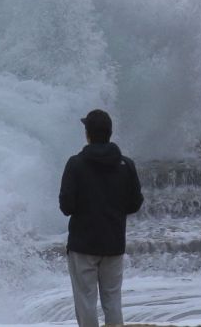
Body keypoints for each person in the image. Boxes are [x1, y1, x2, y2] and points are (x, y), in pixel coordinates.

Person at [59, 109, 143, 327]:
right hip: (114, 244)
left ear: (88, 134)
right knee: (113, 300)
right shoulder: (126, 164)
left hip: (83, 245)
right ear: (110, 133)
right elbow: (135, 203)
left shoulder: (75, 164)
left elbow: (66, 207)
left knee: (86, 302)